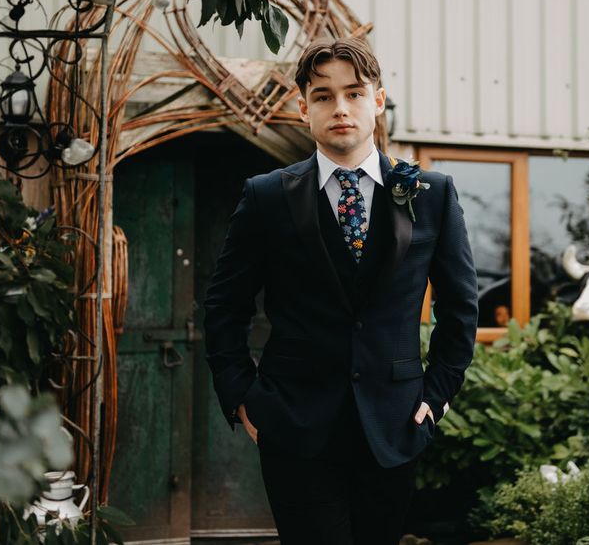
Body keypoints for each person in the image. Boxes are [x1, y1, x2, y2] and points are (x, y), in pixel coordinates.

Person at [203, 37, 479, 545]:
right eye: (324, 96)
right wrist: (242, 395)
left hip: (395, 424)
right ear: (303, 107)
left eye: (354, 93)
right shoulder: (266, 196)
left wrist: (436, 396)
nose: (341, 108)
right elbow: (224, 306)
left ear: (377, 101)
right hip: (293, 425)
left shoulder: (431, 194)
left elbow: (460, 307)